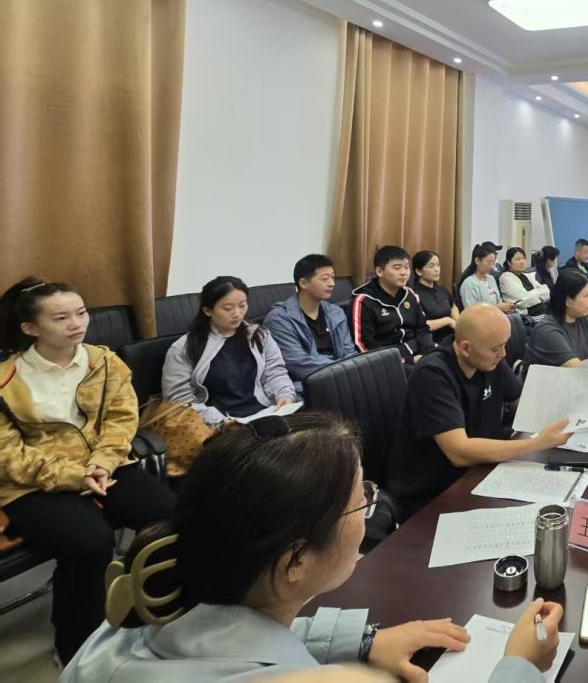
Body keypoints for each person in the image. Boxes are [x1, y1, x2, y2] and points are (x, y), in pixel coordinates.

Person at [62, 412, 561, 682]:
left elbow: (235, 636)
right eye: (361, 500)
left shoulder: (139, 620)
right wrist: (520, 664)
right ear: (296, 559)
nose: (369, 508)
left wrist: (363, 641)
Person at [0, 278, 176, 665]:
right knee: (89, 543)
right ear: (30, 327)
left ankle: (155, 611)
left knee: (168, 515)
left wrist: (102, 463)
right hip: (32, 481)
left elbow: (121, 420)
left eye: (81, 313)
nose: (77, 323)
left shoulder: (103, 362)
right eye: (60, 317)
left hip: (104, 463)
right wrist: (75, 476)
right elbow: (7, 456)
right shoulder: (6, 380)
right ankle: (76, 648)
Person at [387, 305, 571, 518]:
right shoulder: (433, 374)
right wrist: (537, 443)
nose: (503, 354)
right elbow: (459, 452)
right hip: (434, 492)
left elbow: (521, 402)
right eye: (496, 349)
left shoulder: (489, 360)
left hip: (482, 472)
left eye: (505, 345)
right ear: (466, 348)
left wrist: (568, 415)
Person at [164, 276, 296, 426]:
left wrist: (284, 395)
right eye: (228, 308)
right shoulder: (183, 348)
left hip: (265, 413)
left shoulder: (259, 335)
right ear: (208, 310)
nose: (237, 314)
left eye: (242, 305)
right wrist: (220, 421)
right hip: (217, 425)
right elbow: (179, 401)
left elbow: (275, 372)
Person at [263, 254, 356, 387]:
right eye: (325, 278)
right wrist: (344, 369)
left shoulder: (336, 312)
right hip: (309, 384)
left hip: (342, 377)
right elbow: (297, 363)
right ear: (303, 283)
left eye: (333, 277)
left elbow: (349, 352)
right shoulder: (279, 319)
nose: (332, 283)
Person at [350, 246, 434, 362]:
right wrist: (408, 360)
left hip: (416, 352)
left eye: (407, 267)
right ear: (380, 271)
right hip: (387, 361)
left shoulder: (409, 294)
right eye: (397, 268)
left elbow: (422, 329)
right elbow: (365, 346)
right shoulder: (363, 301)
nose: (404, 273)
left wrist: (429, 354)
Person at [409, 250, 458, 345]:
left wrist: (457, 322)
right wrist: (447, 321)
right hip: (432, 342)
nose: (437, 269)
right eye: (431, 266)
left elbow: (453, 306)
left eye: (438, 265)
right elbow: (420, 325)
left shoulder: (442, 290)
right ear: (419, 271)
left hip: (452, 338)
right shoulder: (414, 295)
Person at [457, 244, 517, 313]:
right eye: (489, 262)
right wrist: (498, 307)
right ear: (477, 261)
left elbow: (498, 301)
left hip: (497, 315)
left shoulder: (491, 279)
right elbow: (471, 311)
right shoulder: (469, 284)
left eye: (493, 263)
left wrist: (505, 306)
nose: (492, 266)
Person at [498, 247, 550, 316]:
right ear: (509, 262)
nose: (522, 262)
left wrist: (533, 295)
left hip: (540, 308)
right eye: (517, 259)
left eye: (523, 258)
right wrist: (539, 294)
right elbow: (523, 301)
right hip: (527, 314)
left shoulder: (526, 275)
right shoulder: (506, 277)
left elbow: (546, 292)